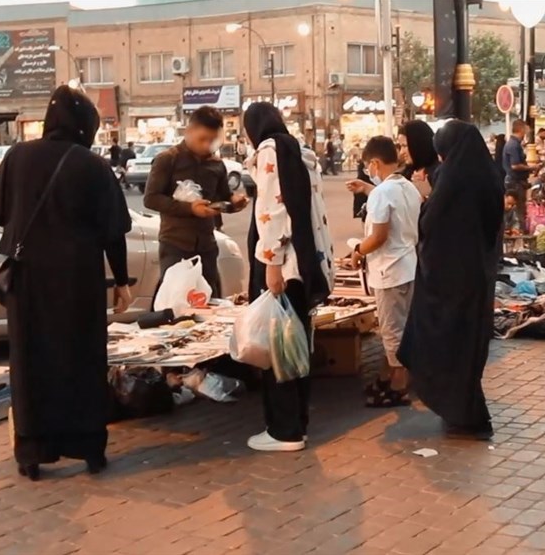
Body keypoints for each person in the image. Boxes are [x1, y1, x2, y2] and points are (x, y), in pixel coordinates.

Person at [0, 85, 133, 481]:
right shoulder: (92, 165)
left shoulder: (16, 157)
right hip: (77, 283)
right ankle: (87, 447)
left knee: (30, 361)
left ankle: (32, 451)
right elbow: (113, 231)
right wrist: (120, 280)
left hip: (27, 282)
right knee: (81, 359)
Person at [398, 120, 504, 440]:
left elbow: (431, 226)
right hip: (479, 274)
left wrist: (425, 199)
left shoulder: (452, 178)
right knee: (469, 347)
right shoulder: (489, 174)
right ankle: (467, 410)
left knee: (446, 344)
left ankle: (464, 413)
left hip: (449, 279)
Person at [243, 101, 334, 452]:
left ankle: (284, 431)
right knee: (295, 345)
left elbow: (272, 210)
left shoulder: (270, 151)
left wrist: (271, 263)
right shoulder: (300, 152)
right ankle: (298, 423)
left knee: (277, 348)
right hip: (305, 266)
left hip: (285, 266)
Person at [144, 106, 248, 299]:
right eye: (202, 139)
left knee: (209, 302)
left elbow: (223, 196)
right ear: (188, 131)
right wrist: (190, 208)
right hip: (175, 244)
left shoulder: (216, 164)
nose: (207, 145)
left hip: (207, 245)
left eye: (212, 140)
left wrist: (235, 202)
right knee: (177, 303)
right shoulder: (167, 160)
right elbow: (151, 198)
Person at [347, 136, 421, 408]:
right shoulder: (408, 187)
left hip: (389, 270)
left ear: (375, 163)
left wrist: (358, 251)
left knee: (392, 330)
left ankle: (398, 387)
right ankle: (392, 377)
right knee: (402, 326)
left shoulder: (382, 193)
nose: (370, 171)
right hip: (408, 266)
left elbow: (378, 236)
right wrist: (368, 189)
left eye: (369, 167)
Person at [502, 120, 537, 227]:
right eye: (525, 129)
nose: (526, 132)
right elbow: (515, 165)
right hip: (515, 182)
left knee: (519, 209)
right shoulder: (513, 145)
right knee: (518, 209)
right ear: (521, 129)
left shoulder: (515, 144)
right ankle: (519, 233)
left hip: (516, 181)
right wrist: (531, 167)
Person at [397, 120, 440, 196]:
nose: (401, 152)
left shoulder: (439, 175)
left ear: (418, 144)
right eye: (400, 146)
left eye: (405, 146)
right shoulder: (404, 174)